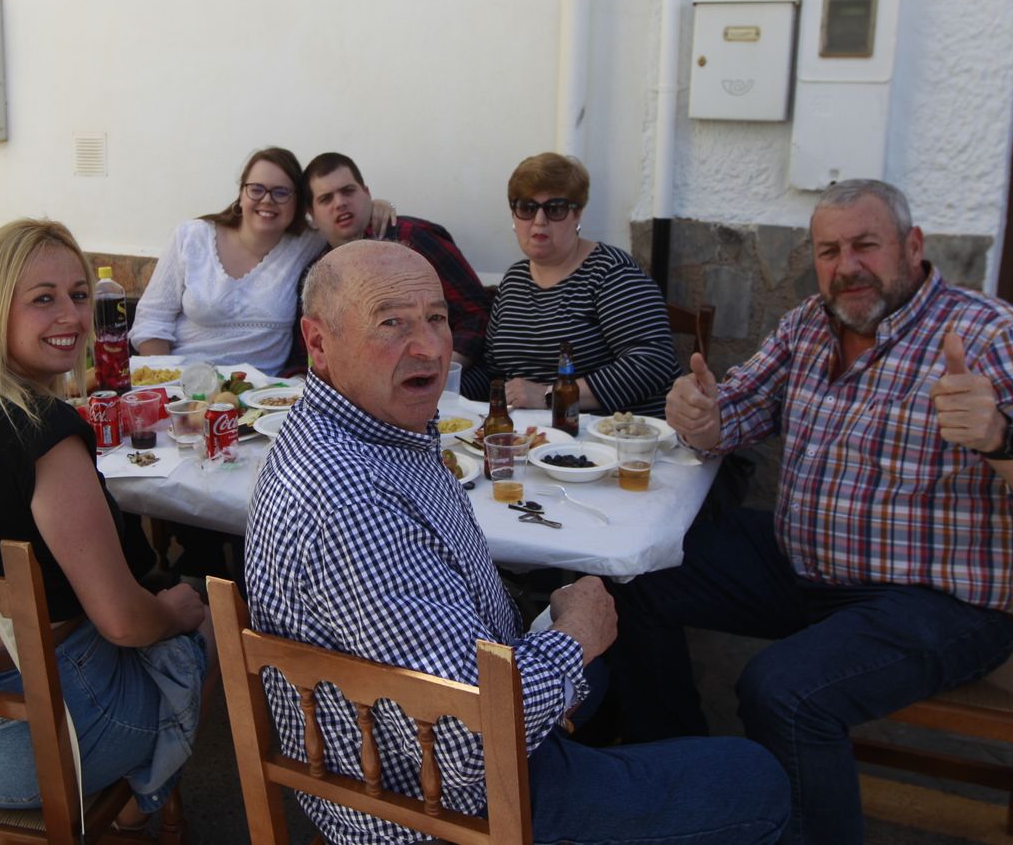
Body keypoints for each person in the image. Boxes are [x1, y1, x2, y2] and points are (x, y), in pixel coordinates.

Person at [608, 179, 1013, 845]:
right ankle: (687, 785)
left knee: (784, 692)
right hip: (806, 567)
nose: (845, 266)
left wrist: (1002, 438)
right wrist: (698, 414)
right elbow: (733, 415)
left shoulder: (991, 335)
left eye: (865, 245)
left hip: (942, 599)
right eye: (828, 250)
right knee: (638, 575)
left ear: (912, 246)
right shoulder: (807, 324)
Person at [245, 239, 790, 845]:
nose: (427, 345)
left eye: (436, 318)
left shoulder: (367, 428)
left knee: (612, 658)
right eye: (391, 322)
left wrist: (559, 643)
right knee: (756, 778)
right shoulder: (349, 501)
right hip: (433, 810)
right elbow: (471, 744)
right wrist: (574, 637)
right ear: (318, 343)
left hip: (409, 746)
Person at [0, 218, 213, 822]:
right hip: (25, 751)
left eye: (80, 295)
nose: (72, 315)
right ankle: (134, 813)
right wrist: (175, 613)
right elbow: (123, 622)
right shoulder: (44, 436)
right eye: (44, 299)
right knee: (200, 629)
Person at [131, 147, 395, 377]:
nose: (267, 200)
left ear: (299, 206)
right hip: (185, 385)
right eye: (256, 189)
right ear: (241, 194)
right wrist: (163, 383)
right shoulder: (192, 236)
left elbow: (344, 223)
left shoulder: (306, 243)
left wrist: (374, 207)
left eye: (281, 193)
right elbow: (152, 320)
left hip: (264, 396)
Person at [466, 152, 678, 416]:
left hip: (615, 436)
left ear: (577, 214)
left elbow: (651, 363)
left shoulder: (612, 273)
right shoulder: (515, 280)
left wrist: (549, 395)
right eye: (527, 208)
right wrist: (442, 387)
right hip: (534, 435)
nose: (539, 221)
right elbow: (495, 372)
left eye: (555, 209)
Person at [282, 151, 491, 372]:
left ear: (367, 194)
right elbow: (303, 355)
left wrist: (437, 371)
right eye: (326, 199)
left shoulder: (413, 238)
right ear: (311, 214)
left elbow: (476, 314)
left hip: (447, 377)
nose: (340, 203)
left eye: (348, 191)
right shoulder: (317, 274)